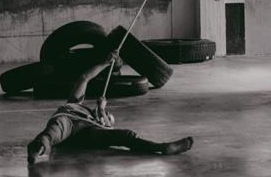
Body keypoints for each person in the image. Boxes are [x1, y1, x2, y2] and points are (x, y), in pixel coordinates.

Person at [27, 51, 193, 165]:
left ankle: (162, 147)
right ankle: (38, 149)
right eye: (108, 114)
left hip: (85, 134)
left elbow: (108, 130)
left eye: (108, 117)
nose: (106, 115)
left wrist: (101, 111)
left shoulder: (97, 124)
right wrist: (106, 63)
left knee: (126, 135)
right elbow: (85, 77)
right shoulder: (75, 103)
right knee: (54, 132)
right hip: (68, 121)